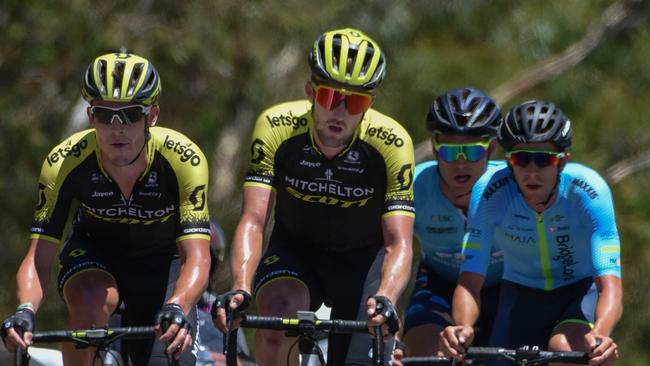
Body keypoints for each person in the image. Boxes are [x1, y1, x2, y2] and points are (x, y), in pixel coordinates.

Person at [214, 27, 415, 365]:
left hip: (362, 262)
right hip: (295, 251)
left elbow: (399, 243)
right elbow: (253, 220)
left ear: (370, 105)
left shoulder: (391, 143)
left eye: (355, 101)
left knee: (368, 352)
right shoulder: (276, 127)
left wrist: (386, 297)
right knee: (277, 321)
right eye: (329, 97)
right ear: (310, 90)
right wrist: (240, 285)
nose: (340, 111)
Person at [0, 51, 212, 365]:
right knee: (90, 301)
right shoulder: (64, 162)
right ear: (90, 117)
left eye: (128, 114)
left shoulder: (183, 159)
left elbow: (198, 255)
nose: (116, 128)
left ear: (152, 116)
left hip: (162, 265)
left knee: (166, 356)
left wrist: (179, 305)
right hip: (95, 258)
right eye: (104, 114)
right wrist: (24, 311)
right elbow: (38, 258)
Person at [440, 100, 622, 366]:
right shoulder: (490, 192)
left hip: (580, 292)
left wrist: (600, 336)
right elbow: (470, 279)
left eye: (544, 160)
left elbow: (610, 286)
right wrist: (463, 326)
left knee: (566, 350)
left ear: (563, 162)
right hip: (521, 293)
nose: (532, 171)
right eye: (522, 159)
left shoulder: (588, 192)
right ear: (508, 162)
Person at [395, 87, 504, 361]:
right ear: (434, 147)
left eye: (472, 151)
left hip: (506, 287)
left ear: (491, 149)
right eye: (450, 152)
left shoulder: (513, 187)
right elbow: (386, 249)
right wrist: (389, 333)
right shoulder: (414, 187)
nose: (461, 163)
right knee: (423, 357)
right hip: (438, 282)